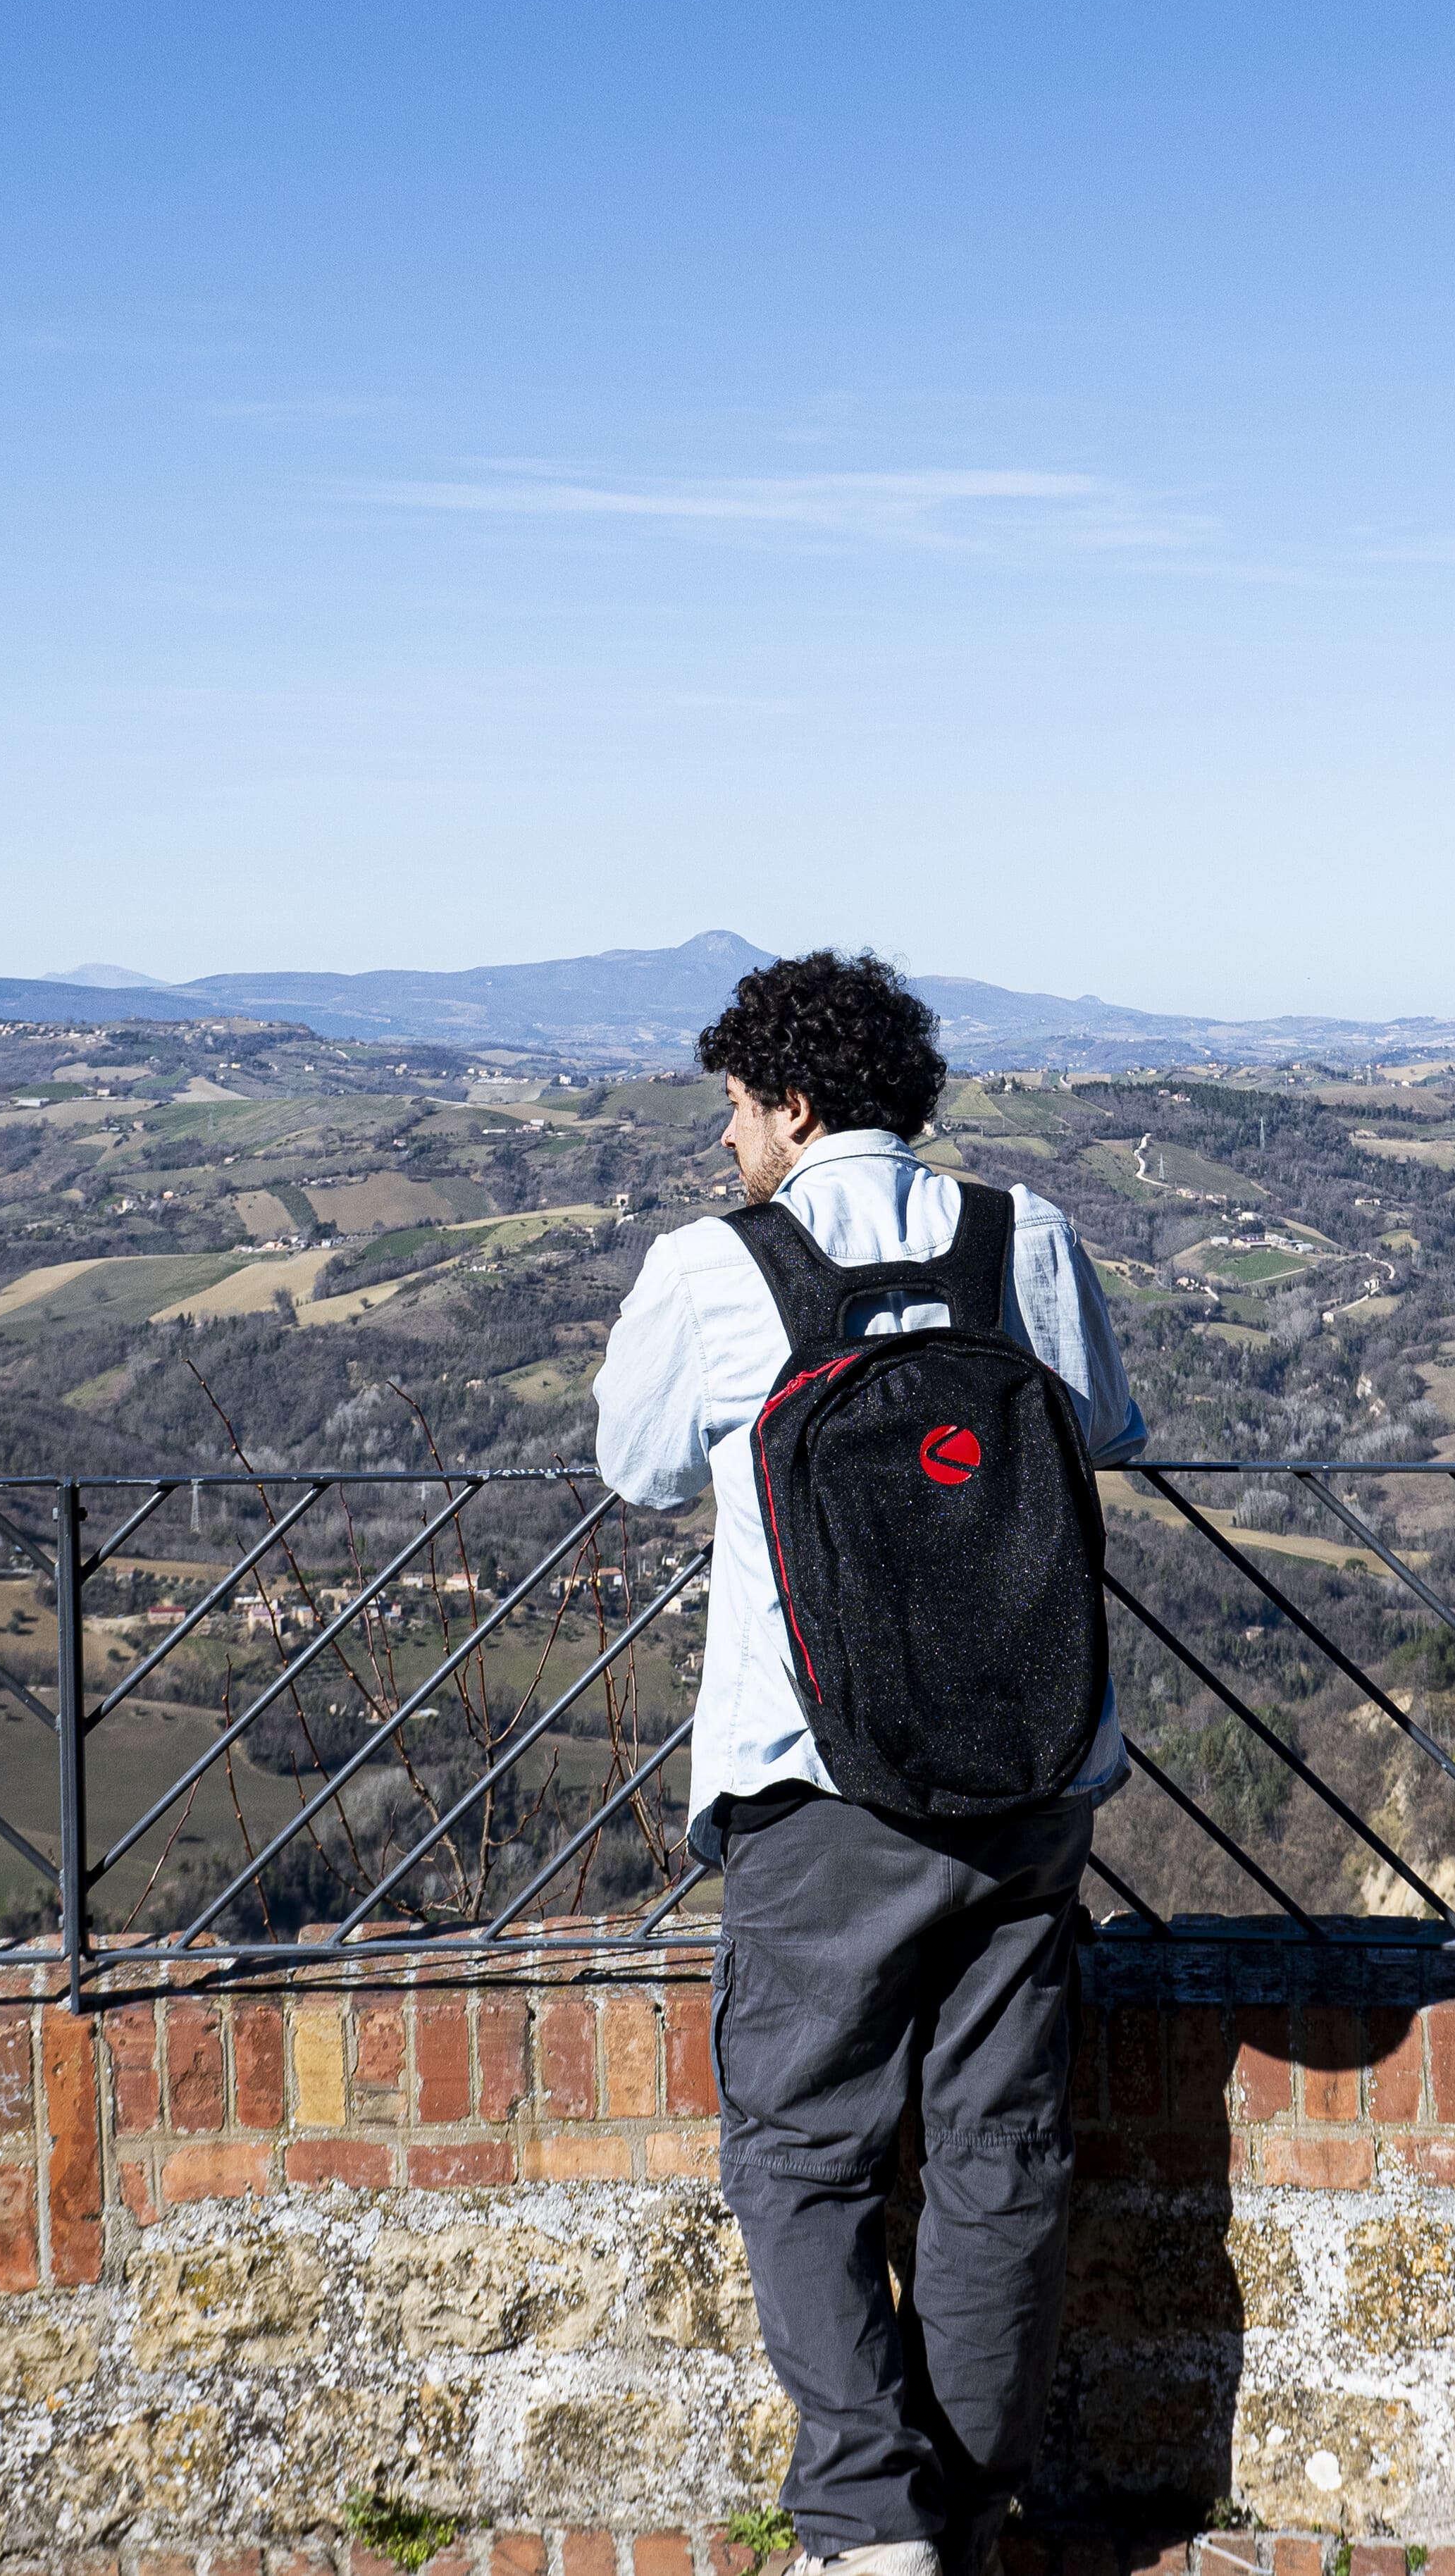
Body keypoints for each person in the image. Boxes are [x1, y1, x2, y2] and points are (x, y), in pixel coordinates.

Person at [595, 948, 1145, 2576]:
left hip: (817, 1784)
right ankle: (970, 2516)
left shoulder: (714, 1269)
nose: (727, 1148)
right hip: (1033, 1771)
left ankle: (865, 2521)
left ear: (797, 1105)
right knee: (999, 2152)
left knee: (802, 2150)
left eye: (738, 1114)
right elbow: (1105, 1424)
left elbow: (631, 1466)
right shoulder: (1020, 1235)